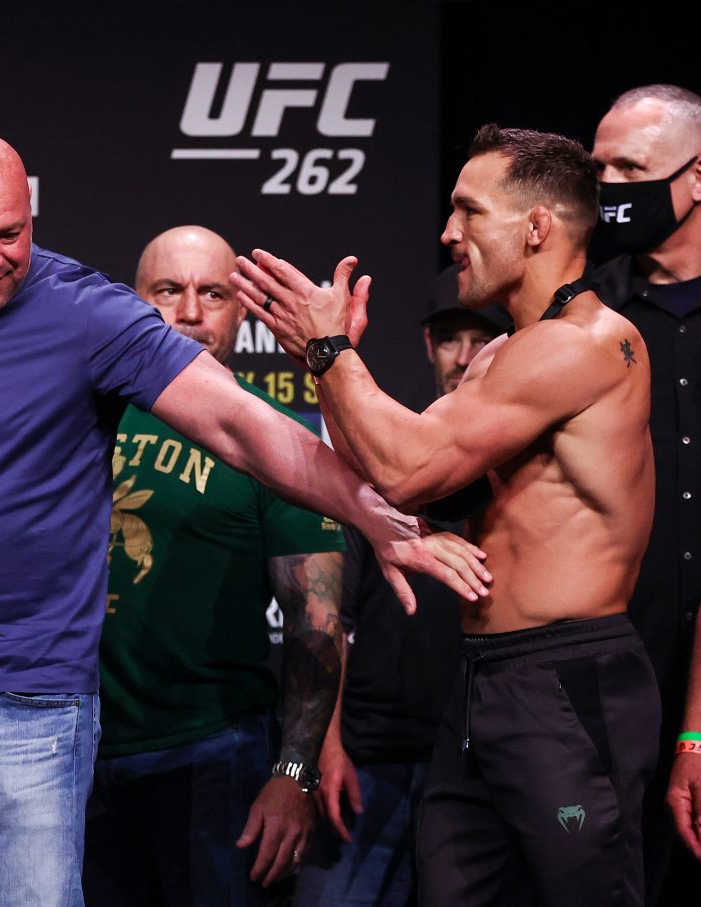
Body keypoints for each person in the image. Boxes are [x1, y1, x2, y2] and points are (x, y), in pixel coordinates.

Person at [0, 130, 490, 907]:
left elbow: (241, 425)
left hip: (31, 707)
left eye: (11, 234)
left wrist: (376, 512)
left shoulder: (86, 312)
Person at [235, 123, 659, 905]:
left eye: (469, 210)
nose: (447, 232)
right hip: (481, 685)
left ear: (537, 227)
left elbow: (409, 462)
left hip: (563, 682)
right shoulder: (503, 356)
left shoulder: (588, 343)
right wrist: (329, 369)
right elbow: (410, 484)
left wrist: (334, 356)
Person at [82, 225, 346, 905]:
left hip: (214, 755)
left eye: (214, 293)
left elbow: (316, 619)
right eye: (168, 290)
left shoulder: (276, 438)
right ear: (133, 301)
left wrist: (294, 771)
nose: (191, 311)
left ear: (239, 311)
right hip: (68, 752)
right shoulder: (73, 423)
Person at [294, 269, 511, 907]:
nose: (465, 355)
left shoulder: (531, 468)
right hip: (369, 758)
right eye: (450, 339)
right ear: (427, 345)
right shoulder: (388, 458)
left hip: (477, 764)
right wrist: (325, 748)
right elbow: (331, 614)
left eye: (482, 338)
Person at [589, 83, 701, 904]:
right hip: (607, 672)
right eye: (599, 169)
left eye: (631, 167)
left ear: (698, 177)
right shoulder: (583, 317)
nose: (610, 189)